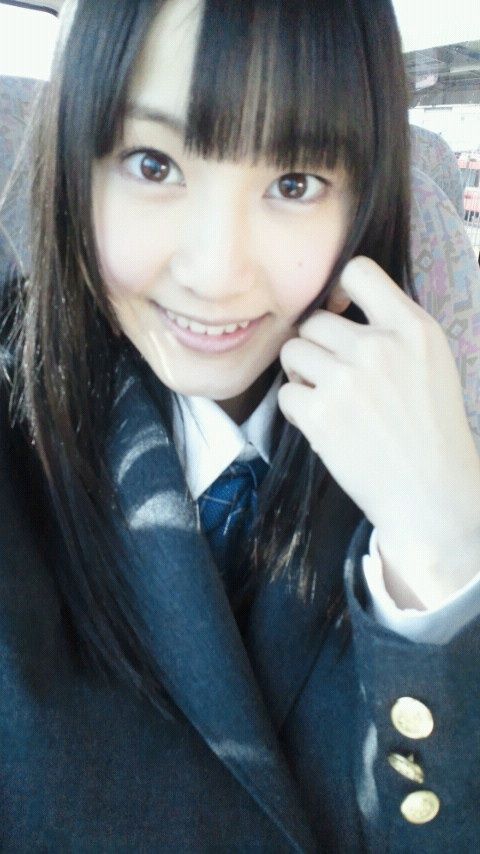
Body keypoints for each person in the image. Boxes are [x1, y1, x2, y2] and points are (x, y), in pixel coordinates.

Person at [0, 0, 479, 851]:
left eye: (294, 184)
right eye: (153, 164)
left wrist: (445, 555)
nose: (216, 274)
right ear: (75, 164)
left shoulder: (439, 445)